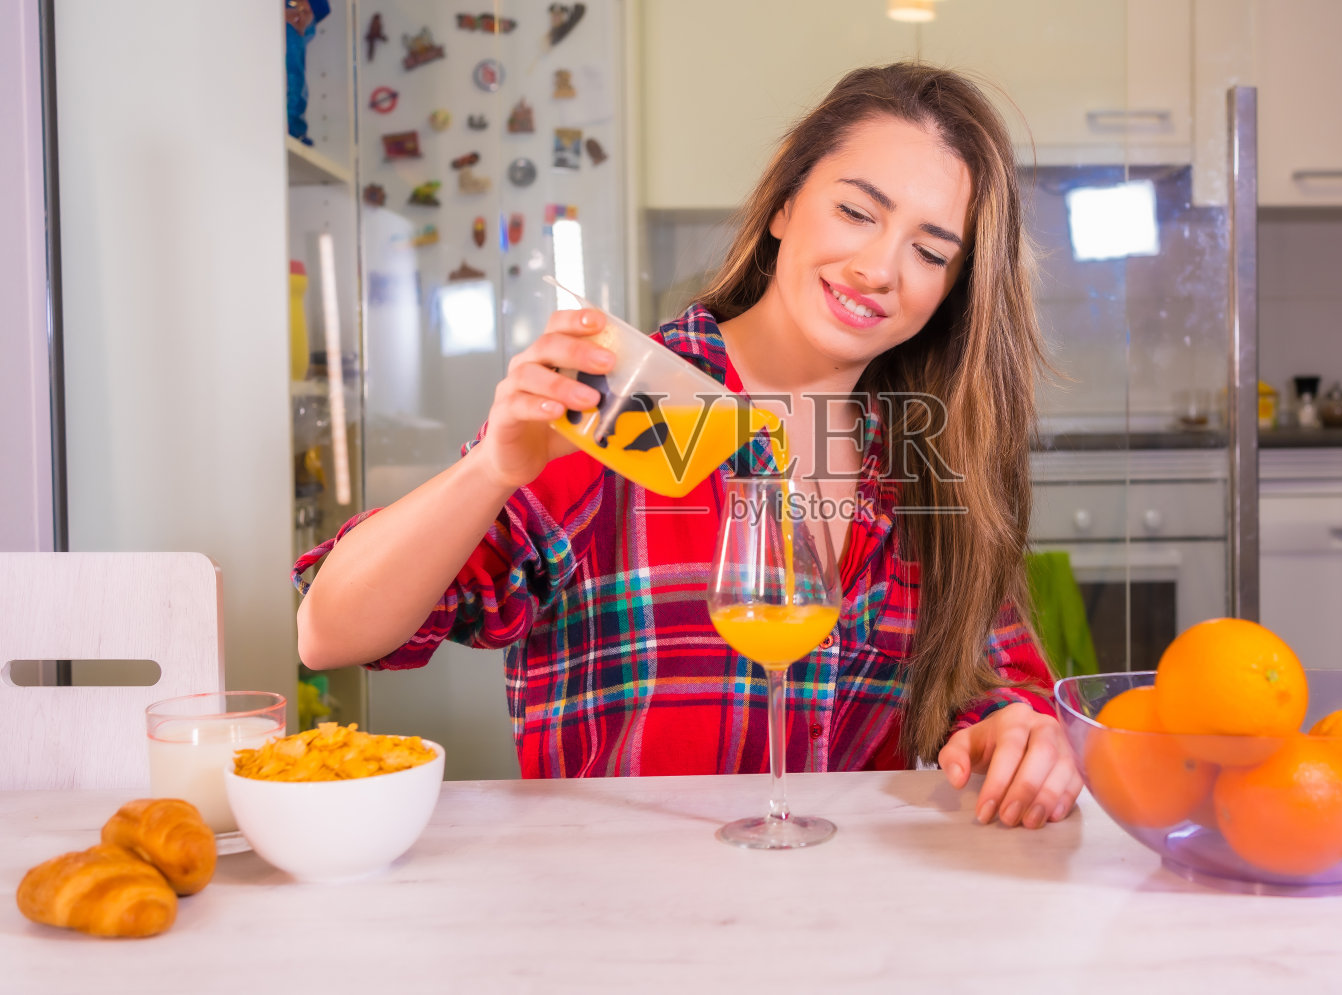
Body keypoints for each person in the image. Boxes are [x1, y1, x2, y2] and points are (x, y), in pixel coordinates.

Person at [295, 62, 1082, 831]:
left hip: (845, 926)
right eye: (856, 212)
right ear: (784, 203)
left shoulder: (924, 452)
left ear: (954, 289)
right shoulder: (630, 400)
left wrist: (1012, 729)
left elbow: (992, 683)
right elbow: (332, 631)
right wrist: (491, 468)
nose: (879, 267)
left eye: (931, 251)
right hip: (625, 926)